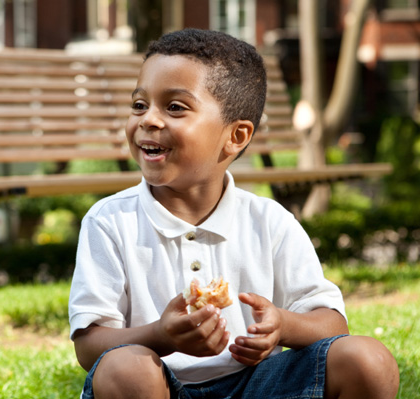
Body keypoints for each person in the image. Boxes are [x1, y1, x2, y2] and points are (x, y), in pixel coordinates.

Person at [68, 28, 399, 399]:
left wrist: (282, 325)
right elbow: (89, 345)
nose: (149, 119)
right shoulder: (110, 221)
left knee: (367, 360)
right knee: (124, 367)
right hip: (158, 386)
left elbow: (332, 323)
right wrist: (160, 335)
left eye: (174, 107)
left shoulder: (269, 222)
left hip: (257, 385)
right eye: (139, 105)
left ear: (236, 136)